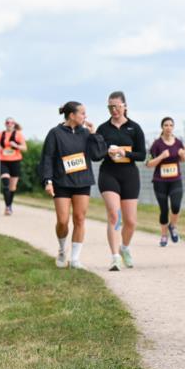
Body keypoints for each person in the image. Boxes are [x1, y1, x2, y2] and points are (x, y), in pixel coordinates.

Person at [40, 101, 106, 269]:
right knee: (62, 221)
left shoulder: (86, 133)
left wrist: (95, 134)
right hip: (61, 182)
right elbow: (47, 158)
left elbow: (98, 155)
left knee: (79, 218)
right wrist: (48, 180)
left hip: (82, 181)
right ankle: (62, 250)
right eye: (82, 113)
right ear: (72, 115)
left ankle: (75, 259)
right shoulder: (55, 133)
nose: (85, 116)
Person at [95, 91, 145, 271]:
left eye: (116, 106)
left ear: (125, 106)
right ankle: (115, 256)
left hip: (129, 175)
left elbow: (142, 155)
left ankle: (124, 248)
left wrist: (126, 153)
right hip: (109, 174)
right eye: (110, 107)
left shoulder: (134, 128)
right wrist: (105, 151)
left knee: (131, 221)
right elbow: (96, 154)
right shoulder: (103, 129)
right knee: (115, 216)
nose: (113, 110)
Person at [147, 117, 185, 247]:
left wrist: (183, 155)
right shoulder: (157, 144)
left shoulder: (178, 143)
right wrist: (161, 156)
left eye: (170, 125)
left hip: (175, 180)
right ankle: (164, 235)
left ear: (173, 127)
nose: (168, 127)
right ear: (162, 127)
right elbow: (149, 164)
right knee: (164, 210)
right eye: (166, 125)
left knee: (176, 206)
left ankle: (173, 226)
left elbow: (183, 160)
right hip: (160, 181)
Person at [0, 118, 26, 215]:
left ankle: (9, 205)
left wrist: (16, 146)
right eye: (8, 122)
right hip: (3, 161)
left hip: (15, 162)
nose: (9, 124)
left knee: (12, 187)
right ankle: (7, 207)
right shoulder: (0, 134)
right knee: (5, 183)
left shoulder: (18, 135)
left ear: (14, 124)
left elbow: (25, 148)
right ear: (5, 124)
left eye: (11, 123)